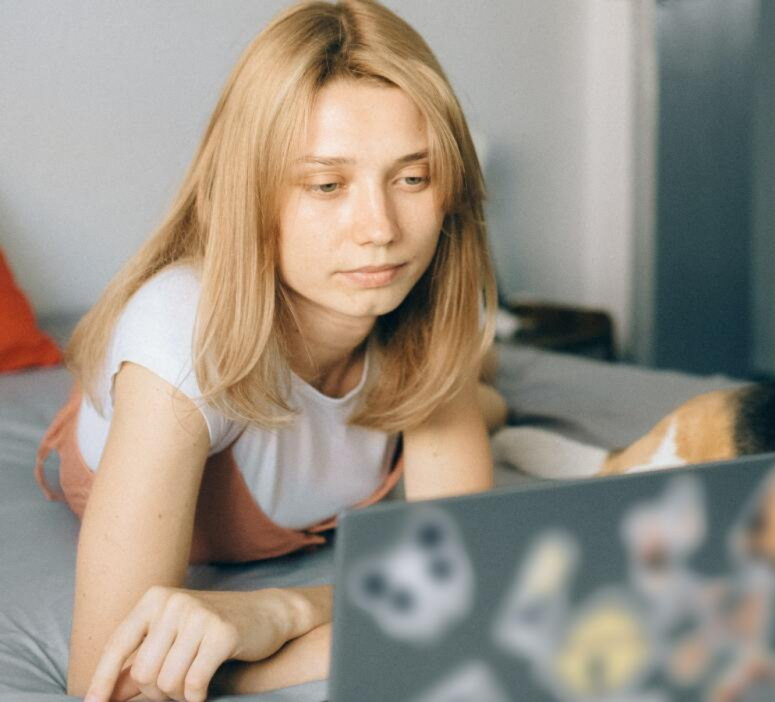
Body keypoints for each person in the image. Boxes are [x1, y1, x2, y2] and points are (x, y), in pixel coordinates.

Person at [32, 1, 506, 699]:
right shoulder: (180, 345)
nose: (380, 229)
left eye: (413, 178)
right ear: (253, 193)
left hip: (350, 396)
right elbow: (114, 681)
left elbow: (467, 576)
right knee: (480, 399)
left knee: (479, 386)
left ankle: (491, 389)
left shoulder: (429, 296)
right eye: (326, 185)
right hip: (184, 420)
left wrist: (287, 608)